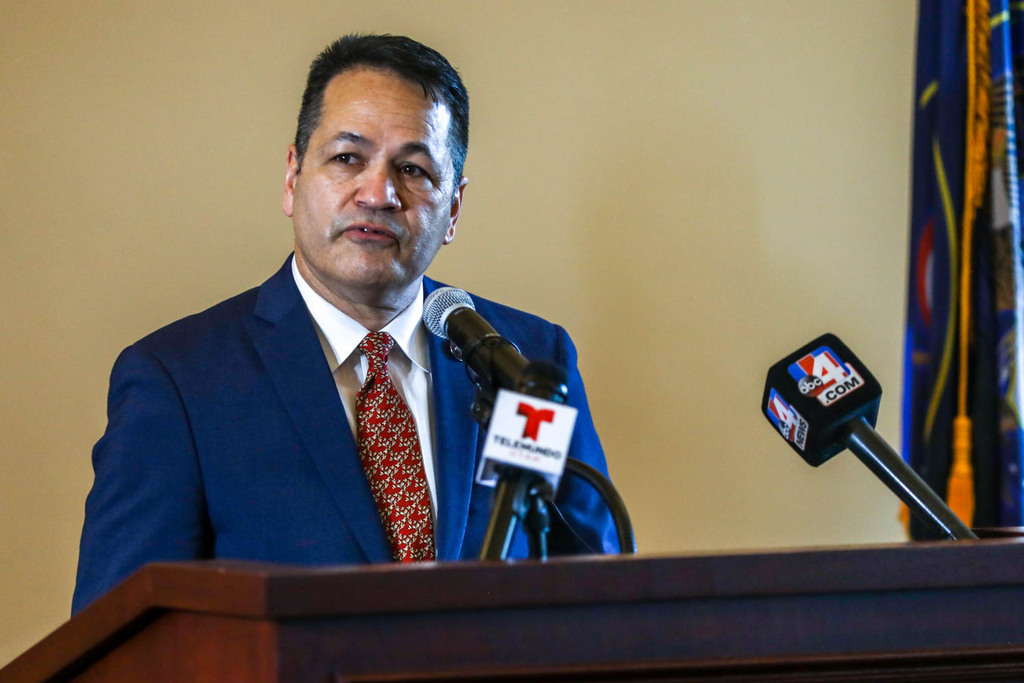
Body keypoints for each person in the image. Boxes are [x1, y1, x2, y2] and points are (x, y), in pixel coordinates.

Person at [72, 34, 617, 614]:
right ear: (292, 177)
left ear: (452, 208)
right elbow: (120, 632)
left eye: (412, 169)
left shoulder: (524, 360)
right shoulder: (179, 381)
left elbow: (597, 595)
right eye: (347, 158)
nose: (379, 193)